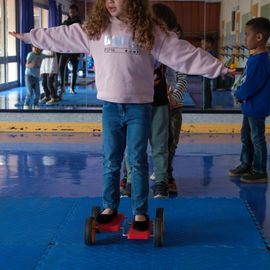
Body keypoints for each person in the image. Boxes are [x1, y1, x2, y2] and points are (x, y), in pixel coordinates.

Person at [10, 0, 233, 231]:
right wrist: (30, 36)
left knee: (136, 161)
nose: (110, 2)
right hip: (111, 107)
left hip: (139, 107)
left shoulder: (151, 30)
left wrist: (218, 68)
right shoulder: (95, 29)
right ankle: (109, 207)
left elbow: (183, 53)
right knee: (111, 160)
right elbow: (61, 36)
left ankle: (140, 213)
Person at [228, 17, 270, 184]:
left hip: (256, 106)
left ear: (258, 37)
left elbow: (252, 84)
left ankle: (260, 170)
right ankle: (246, 163)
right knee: (246, 136)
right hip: (249, 106)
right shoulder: (254, 58)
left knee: (256, 137)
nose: (244, 39)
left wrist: (239, 95)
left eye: (247, 35)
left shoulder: (261, 61)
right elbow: (246, 80)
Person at [58, 4, 81, 96]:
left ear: (76, 12)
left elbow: (77, 33)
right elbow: (62, 29)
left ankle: (72, 87)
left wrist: (80, 52)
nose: (72, 14)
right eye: (70, 12)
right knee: (61, 67)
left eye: (73, 12)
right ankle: (62, 87)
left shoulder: (78, 22)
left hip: (74, 49)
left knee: (74, 70)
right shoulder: (66, 21)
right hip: (65, 48)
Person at [200, 35, 216, 109]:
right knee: (205, 90)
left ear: (209, 44)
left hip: (207, 74)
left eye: (203, 43)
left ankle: (207, 105)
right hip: (204, 74)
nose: (202, 45)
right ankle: (206, 104)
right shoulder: (205, 53)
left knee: (206, 89)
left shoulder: (210, 53)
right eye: (201, 43)